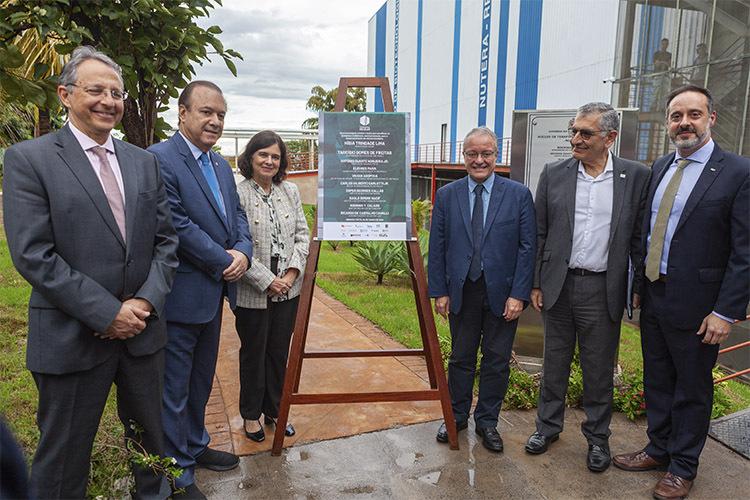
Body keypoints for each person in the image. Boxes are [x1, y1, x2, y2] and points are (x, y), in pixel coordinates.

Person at [2, 45, 178, 499]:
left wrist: (142, 304)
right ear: (64, 94)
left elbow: (166, 243)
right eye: (95, 89)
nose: (109, 101)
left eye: (116, 92)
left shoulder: (144, 163)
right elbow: (33, 254)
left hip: (143, 336)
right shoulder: (30, 160)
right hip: (72, 337)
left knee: (150, 450)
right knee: (63, 459)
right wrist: (106, 313)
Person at [613, 85, 749, 499]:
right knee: (658, 379)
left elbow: (745, 250)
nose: (684, 123)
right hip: (656, 294)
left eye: (693, 114)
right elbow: (644, 233)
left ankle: (683, 467)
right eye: (676, 116)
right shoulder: (660, 167)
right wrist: (638, 288)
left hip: (700, 305)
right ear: (669, 122)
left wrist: (725, 312)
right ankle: (658, 448)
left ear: (711, 119)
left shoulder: (738, 172)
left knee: (691, 387)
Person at [524, 103, 650, 472]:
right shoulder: (554, 173)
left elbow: (638, 239)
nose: (575, 139)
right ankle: (547, 428)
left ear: (609, 138)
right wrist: (535, 282)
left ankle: (598, 439)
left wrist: (637, 286)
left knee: (598, 370)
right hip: (559, 287)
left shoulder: (635, 176)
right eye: (574, 131)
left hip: (603, 289)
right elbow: (540, 232)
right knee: (554, 363)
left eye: (585, 133)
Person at [148, 81, 252, 498]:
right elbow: (175, 225)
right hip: (178, 297)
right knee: (173, 387)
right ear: (183, 113)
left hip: (212, 297)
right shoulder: (160, 159)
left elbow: (237, 217)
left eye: (221, 115)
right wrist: (226, 260)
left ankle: (195, 444)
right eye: (206, 112)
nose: (214, 121)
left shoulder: (221, 165)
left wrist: (243, 250)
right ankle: (177, 472)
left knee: (200, 382)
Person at [428, 127, 536, 452]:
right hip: (463, 291)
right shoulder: (448, 195)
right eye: (472, 154)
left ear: (496, 156)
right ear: (463, 157)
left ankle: (488, 423)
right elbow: (438, 246)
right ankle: (457, 417)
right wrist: (440, 291)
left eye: (485, 153)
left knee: (496, 360)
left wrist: (519, 294)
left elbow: (527, 248)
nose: (479, 160)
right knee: (460, 359)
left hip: (504, 296)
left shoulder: (518, 194)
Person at [233, 131, 310, 442]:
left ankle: (275, 410)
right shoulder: (237, 194)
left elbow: (303, 236)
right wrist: (268, 280)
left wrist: (290, 276)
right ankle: (251, 415)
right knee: (254, 352)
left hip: (289, 288)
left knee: (279, 352)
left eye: (275, 156)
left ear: (281, 162)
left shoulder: (289, 190)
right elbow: (235, 243)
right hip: (253, 289)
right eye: (263, 154)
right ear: (251, 157)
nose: (269, 160)